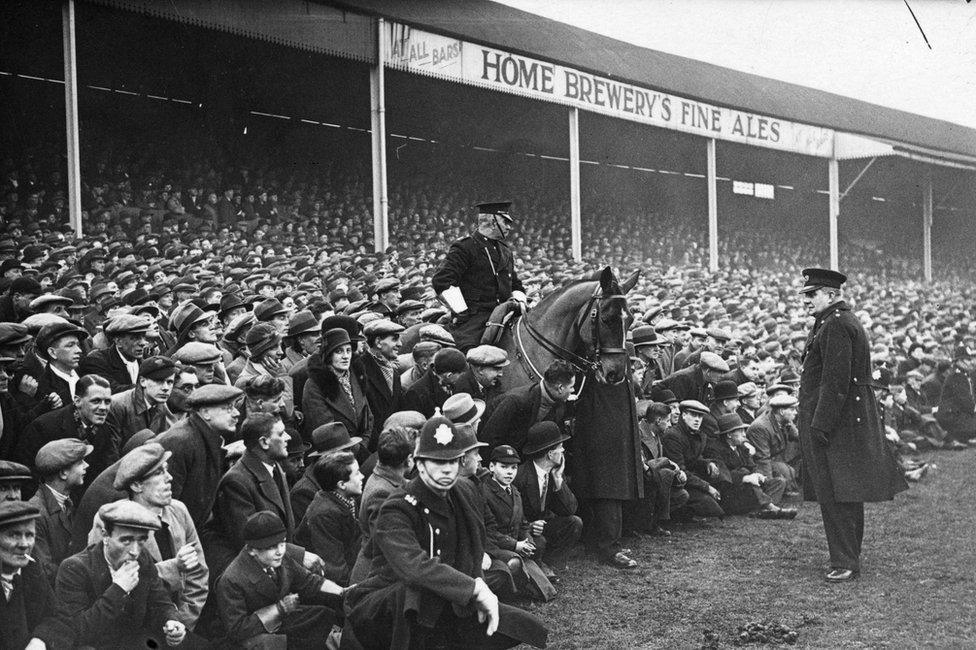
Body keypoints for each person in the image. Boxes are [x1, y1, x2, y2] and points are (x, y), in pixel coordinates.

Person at [345, 415, 547, 649]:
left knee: (523, 626)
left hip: (449, 599)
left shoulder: (464, 491)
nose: (446, 470)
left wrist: (477, 582)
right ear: (419, 464)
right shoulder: (397, 506)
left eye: (452, 461)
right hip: (395, 605)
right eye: (437, 462)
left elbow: (474, 546)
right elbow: (412, 566)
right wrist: (473, 589)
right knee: (414, 602)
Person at [796, 268, 907, 583]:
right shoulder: (834, 322)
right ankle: (847, 556)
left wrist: (820, 426)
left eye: (811, 294)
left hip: (834, 424)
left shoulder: (836, 325)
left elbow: (836, 383)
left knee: (837, 494)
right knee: (843, 492)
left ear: (830, 295)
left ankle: (845, 561)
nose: (806, 300)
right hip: (840, 421)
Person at [89, 443, 209, 630]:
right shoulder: (110, 519)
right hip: (134, 628)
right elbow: (110, 581)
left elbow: (199, 575)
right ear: (136, 485)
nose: (169, 478)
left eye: (167, 470)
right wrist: (174, 567)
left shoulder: (179, 510)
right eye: (159, 473)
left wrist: (180, 623)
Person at [54, 500, 188, 648]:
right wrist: (118, 590)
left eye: (141, 541)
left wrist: (171, 621)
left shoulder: (143, 559)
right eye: (126, 540)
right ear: (105, 536)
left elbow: (160, 602)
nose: (135, 551)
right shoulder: (74, 568)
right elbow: (76, 632)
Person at [203, 413, 314, 580]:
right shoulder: (236, 482)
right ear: (263, 442)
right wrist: (299, 555)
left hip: (278, 564)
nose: (288, 437)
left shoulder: (273, 466)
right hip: (252, 577)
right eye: (281, 433)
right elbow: (251, 540)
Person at [216, 511, 343, 649]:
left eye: (282, 543)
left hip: (281, 622)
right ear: (252, 550)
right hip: (255, 638)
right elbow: (237, 630)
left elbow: (308, 581)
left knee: (323, 615)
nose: (280, 551)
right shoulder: (231, 580)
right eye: (271, 547)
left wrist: (342, 591)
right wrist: (278, 609)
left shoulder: (280, 558)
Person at [431, 201, 527, 351]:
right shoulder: (465, 247)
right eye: (505, 222)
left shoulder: (505, 251)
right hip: (475, 318)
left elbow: (515, 284)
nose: (509, 227)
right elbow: (442, 281)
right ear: (492, 221)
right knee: (469, 354)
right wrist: (462, 312)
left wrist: (520, 300)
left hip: (506, 313)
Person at [156, 384, 244, 527]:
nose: (236, 413)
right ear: (205, 413)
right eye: (228, 408)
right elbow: (166, 506)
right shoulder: (180, 441)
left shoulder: (207, 436)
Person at [18, 374, 116, 496]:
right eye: (96, 401)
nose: (103, 408)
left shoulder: (104, 430)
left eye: (107, 402)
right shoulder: (44, 427)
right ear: (77, 401)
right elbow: (27, 476)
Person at [482, 445, 556, 602]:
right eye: (504, 467)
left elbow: (522, 524)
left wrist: (527, 541)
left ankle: (529, 582)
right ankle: (513, 592)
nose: (509, 472)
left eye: (514, 467)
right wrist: (515, 545)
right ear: (491, 467)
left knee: (537, 544)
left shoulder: (514, 491)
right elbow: (490, 532)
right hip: (493, 547)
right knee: (514, 562)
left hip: (513, 543)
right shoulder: (485, 492)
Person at [513, 422, 584, 573]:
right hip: (523, 530)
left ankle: (551, 563)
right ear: (550, 454)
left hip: (543, 525)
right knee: (539, 541)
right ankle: (539, 567)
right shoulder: (520, 476)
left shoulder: (554, 472)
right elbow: (511, 513)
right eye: (560, 448)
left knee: (574, 523)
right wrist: (529, 526)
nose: (563, 451)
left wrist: (559, 480)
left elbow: (570, 509)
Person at [348, 426, 414, 584]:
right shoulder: (382, 494)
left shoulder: (384, 478)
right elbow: (390, 547)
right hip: (373, 580)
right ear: (409, 459)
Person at [0, 500, 65, 650]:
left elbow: (57, 616)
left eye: (29, 535)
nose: (24, 544)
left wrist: (40, 640)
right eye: (14, 535)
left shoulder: (32, 569)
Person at [705, 414, 796, 518]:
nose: (744, 435)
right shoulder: (714, 449)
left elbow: (752, 466)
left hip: (747, 491)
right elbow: (722, 476)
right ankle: (771, 508)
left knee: (779, 482)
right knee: (749, 480)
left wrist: (757, 475)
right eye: (740, 431)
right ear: (729, 435)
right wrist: (745, 478)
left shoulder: (741, 447)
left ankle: (761, 509)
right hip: (730, 493)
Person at [294, 451, 363, 586]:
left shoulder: (346, 498)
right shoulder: (324, 514)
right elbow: (334, 570)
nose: (362, 476)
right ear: (341, 484)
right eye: (357, 473)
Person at [480, 359, 575, 454]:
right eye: (571, 387)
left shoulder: (560, 407)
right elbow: (488, 439)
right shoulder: (515, 400)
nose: (573, 390)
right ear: (560, 388)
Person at [29, 438, 92, 578]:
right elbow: (45, 570)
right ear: (63, 473)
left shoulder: (67, 502)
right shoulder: (36, 513)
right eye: (80, 462)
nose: (86, 465)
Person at [303, 327, 374, 448]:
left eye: (348, 350)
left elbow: (368, 419)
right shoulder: (315, 385)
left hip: (361, 449)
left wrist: (362, 446)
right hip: (334, 454)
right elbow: (325, 430)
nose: (346, 356)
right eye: (339, 351)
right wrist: (355, 450)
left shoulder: (357, 376)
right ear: (329, 355)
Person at [627, 401, 689, 535]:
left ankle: (652, 523)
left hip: (652, 482)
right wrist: (668, 462)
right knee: (662, 476)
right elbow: (643, 464)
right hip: (638, 484)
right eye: (667, 421)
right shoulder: (637, 433)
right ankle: (642, 525)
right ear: (658, 420)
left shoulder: (657, 434)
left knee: (681, 495)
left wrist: (676, 471)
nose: (671, 424)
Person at [662, 400, 725, 521]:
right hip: (676, 481)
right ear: (684, 415)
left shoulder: (699, 435)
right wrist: (707, 487)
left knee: (719, 486)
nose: (697, 420)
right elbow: (680, 470)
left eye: (700, 416)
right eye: (693, 415)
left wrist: (708, 463)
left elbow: (695, 458)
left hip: (690, 478)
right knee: (709, 504)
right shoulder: (673, 436)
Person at [290, 422, 363, 523]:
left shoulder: (344, 476)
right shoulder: (304, 491)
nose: (351, 455)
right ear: (328, 456)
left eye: (350, 449)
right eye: (345, 451)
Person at [106, 355, 179, 447]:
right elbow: (110, 452)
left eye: (169, 382)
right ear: (142, 381)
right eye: (159, 381)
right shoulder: (117, 405)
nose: (165, 388)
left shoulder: (160, 404)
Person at [359, 318, 406, 446]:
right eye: (395, 339)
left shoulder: (393, 371)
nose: (400, 344)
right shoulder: (360, 369)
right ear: (378, 342)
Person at [79, 314, 152, 393]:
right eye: (135, 338)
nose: (143, 343)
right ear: (118, 341)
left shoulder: (147, 361)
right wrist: (152, 387)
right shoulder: (97, 361)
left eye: (143, 337)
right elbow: (111, 390)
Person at [747, 393, 802, 493]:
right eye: (792, 409)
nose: (795, 413)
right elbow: (762, 459)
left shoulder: (783, 420)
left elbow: (798, 437)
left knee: (788, 471)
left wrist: (791, 425)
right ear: (781, 411)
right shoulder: (761, 427)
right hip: (756, 465)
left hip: (773, 460)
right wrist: (770, 487)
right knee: (783, 472)